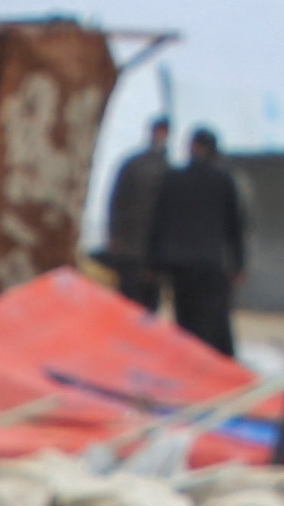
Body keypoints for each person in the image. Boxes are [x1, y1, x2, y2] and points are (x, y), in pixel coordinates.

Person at [150, 123, 245, 354]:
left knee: (185, 320)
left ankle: (187, 362)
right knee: (212, 320)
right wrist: (239, 264)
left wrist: (153, 261)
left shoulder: (173, 179)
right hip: (210, 262)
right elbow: (235, 226)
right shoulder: (224, 180)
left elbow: (159, 221)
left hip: (178, 263)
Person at [99, 124, 168, 311]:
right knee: (142, 303)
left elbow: (116, 202)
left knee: (132, 301)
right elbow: (117, 202)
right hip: (142, 248)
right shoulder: (168, 167)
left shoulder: (134, 164)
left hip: (135, 247)